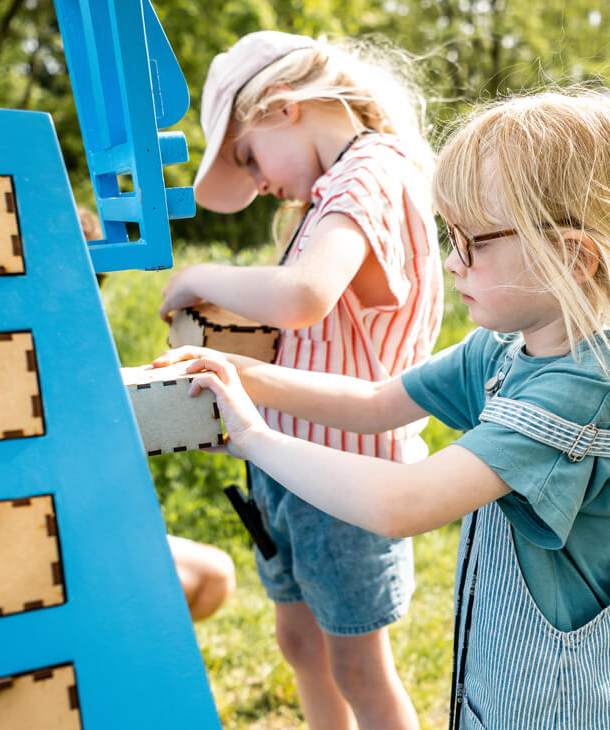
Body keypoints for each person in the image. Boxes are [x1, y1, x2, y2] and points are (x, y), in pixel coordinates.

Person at [157, 87, 610, 728]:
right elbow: (374, 402)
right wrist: (246, 376)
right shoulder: (506, 349)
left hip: (560, 710)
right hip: (502, 687)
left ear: (570, 254)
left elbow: (403, 503)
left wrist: (251, 436)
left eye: (473, 243)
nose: (452, 264)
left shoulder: (585, 390)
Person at [159, 30, 443, 730]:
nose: (258, 184)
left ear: (283, 107)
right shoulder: (327, 193)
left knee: (357, 665)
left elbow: (304, 296)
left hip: (344, 467)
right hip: (284, 460)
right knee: (299, 642)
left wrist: (196, 276)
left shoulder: (369, 171)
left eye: (249, 159)